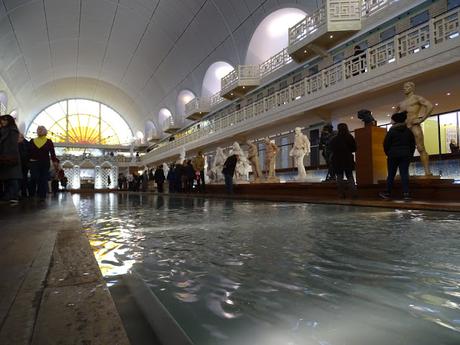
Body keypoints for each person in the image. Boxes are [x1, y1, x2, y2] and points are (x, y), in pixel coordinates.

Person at [396, 81, 433, 176]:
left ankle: (427, 171)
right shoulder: (401, 103)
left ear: (412, 88)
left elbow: (430, 106)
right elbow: (394, 116)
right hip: (404, 128)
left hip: (414, 125)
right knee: (404, 151)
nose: (405, 88)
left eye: (407, 86)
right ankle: (403, 172)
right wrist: (395, 124)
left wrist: (422, 119)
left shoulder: (417, 98)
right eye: (404, 87)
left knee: (421, 148)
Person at [379, 111, 416, 201]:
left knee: (391, 174)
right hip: (405, 155)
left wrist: (389, 153)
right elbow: (412, 144)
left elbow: (386, 144)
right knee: (404, 174)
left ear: (395, 121)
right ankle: (406, 193)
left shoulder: (391, 131)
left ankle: (387, 193)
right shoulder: (408, 131)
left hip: (393, 155)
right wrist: (409, 154)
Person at [28, 125, 59, 201]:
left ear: (45, 131)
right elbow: (28, 152)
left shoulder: (48, 141)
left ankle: (42, 195)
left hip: (45, 163)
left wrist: (55, 161)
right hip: (34, 162)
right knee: (34, 177)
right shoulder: (32, 141)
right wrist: (28, 160)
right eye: (38, 129)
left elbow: (52, 153)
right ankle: (31, 194)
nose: (40, 130)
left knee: (43, 179)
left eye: (41, 129)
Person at [328, 123, 357, 198]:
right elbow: (354, 148)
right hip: (348, 159)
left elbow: (331, 149)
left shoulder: (334, 139)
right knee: (350, 176)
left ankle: (341, 194)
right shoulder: (349, 137)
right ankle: (353, 193)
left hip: (337, 160)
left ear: (338, 129)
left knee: (339, 177)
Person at [0, 115, 22, 204]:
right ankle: (8, 196)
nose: (3, 122)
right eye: (2, 120)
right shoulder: (2, 130)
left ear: (9, 121)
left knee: (13, 178)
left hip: (11, 157)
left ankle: (14, 196)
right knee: (6, 178)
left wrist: (10, 156)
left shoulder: (13, 130)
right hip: (4, 157)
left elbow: (13, 145)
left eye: (5, 120)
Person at [18, 133, 30, 198]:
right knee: (23, 179)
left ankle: (22, 193)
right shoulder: (26, 144)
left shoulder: (24, 144)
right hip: (23, 164)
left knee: (22, 179)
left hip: (23, 164)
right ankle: (23, 193)